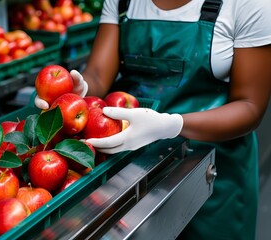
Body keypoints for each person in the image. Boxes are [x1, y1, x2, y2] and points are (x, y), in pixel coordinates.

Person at [35, 0, 271, 239]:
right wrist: (77, 90)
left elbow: (250, 106)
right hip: (133, 172)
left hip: (215, 172)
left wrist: (171, 125)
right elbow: (98, 74)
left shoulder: (247, 4)